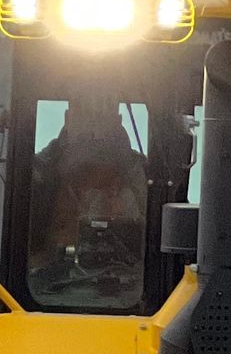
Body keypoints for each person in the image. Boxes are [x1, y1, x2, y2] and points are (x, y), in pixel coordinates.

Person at [27, 94, 149, 308]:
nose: (94, 123)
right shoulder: (34, 177)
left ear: (117, 120)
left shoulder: (148, 179)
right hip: (41, 295)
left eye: (102, 113)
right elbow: (24, 239)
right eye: (85, 112)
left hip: (134, 297)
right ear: (68, 117)